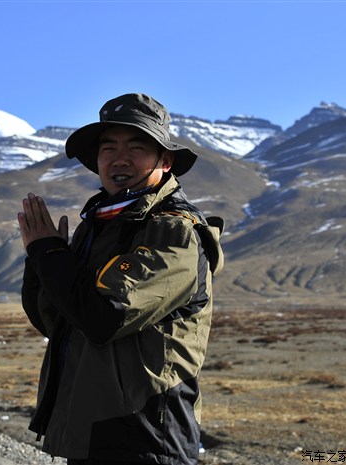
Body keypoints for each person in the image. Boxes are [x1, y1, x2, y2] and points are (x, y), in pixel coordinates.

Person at [17, 93, 224, 465]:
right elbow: (59, 323)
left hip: (144, 436)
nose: (119, 158)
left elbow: (103, 317)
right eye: (108, 147)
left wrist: (50, 255)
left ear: (166, 160)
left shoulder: (173, 232)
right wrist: (41, 259)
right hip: (91, 429)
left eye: (136, 147)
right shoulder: (98, 226)